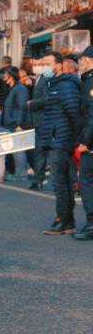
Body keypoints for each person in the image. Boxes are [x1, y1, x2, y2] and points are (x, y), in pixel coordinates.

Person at [40, 51, 82, 235]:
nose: (45, 67)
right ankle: (67, 220)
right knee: (62, 181)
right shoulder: (53, 84)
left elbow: (74, 112)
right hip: (56, 138)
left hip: (61, 139)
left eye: (48, 63)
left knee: (60, 181)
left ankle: (63, 219)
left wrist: (74, 138)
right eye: (43, 63)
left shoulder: (65, 85)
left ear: (59, 65)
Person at [73, 46, 93, 240]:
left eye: (82, 59)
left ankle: (91, 225)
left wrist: (86, 141)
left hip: (91, 143)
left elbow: (91, 112)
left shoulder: (90, 81)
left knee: (86, 181)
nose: (80, 63)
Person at [28, 56, 51, 189]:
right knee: (39, 151)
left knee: (41, 151)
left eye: (40, 64)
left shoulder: (45, 79)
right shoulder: (37, 79)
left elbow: (45, 99)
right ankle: (39, 178)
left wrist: (32, 103)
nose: (37, 66)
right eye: (35, 64)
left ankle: (39, 179)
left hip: (43, 119)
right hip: (38, 120)